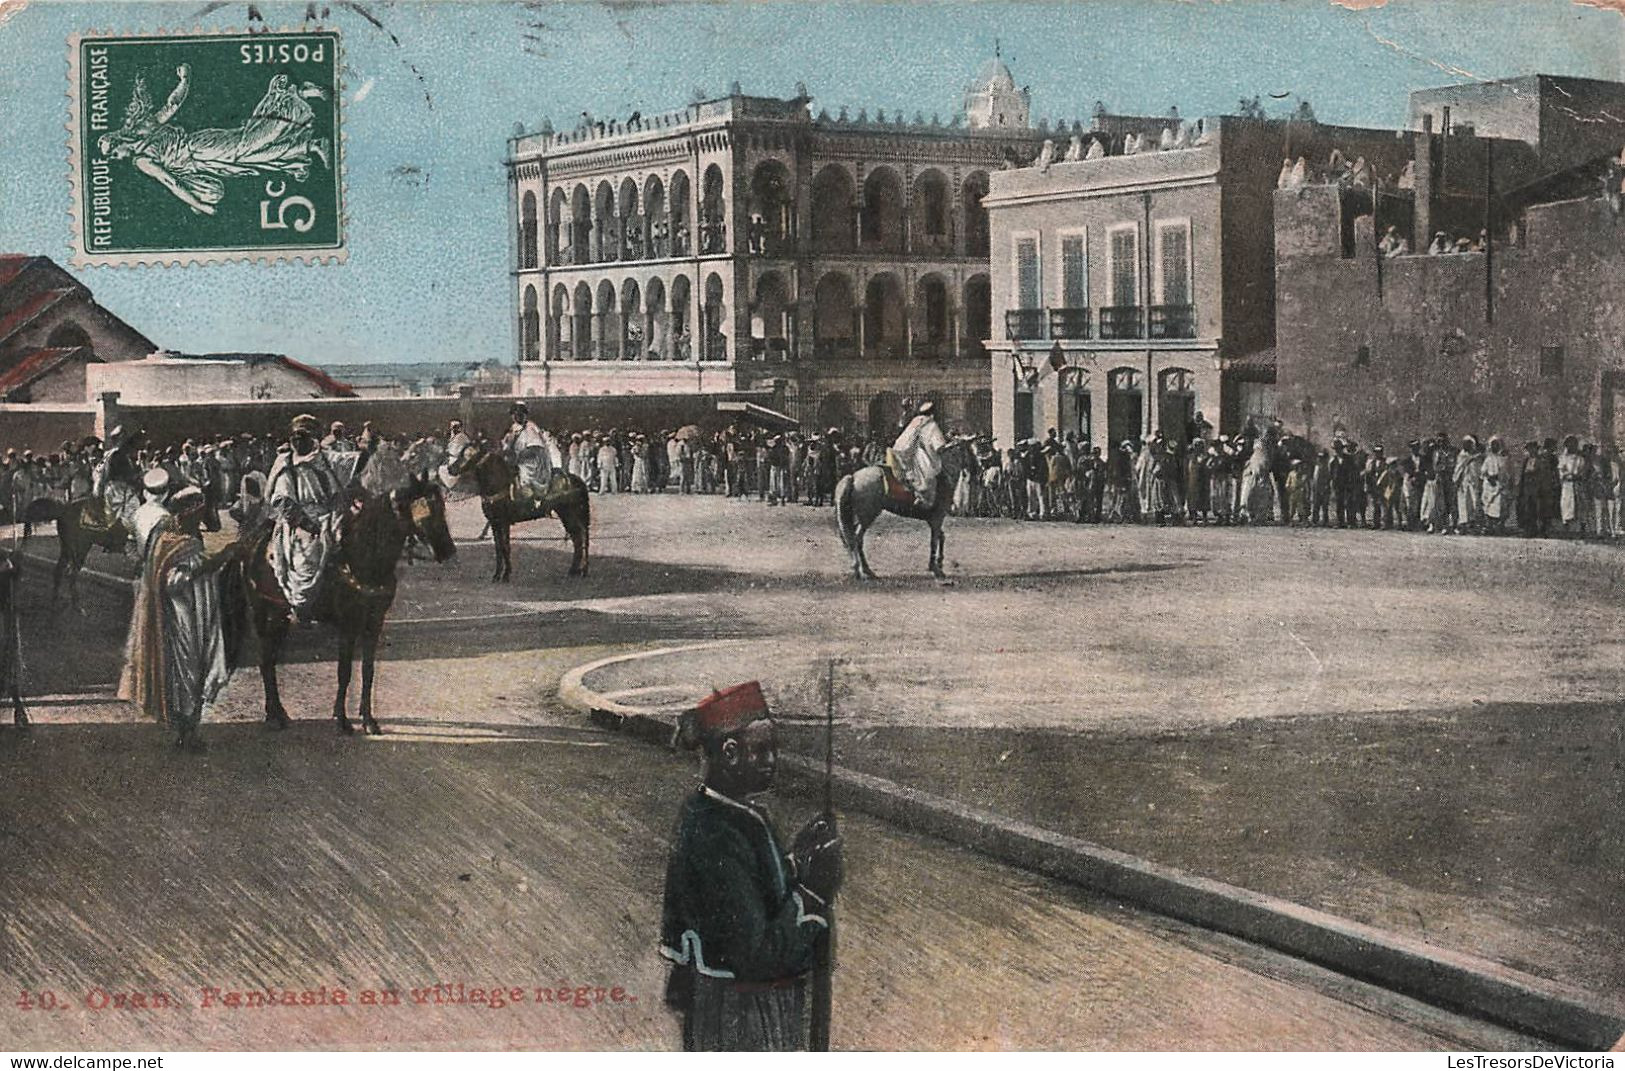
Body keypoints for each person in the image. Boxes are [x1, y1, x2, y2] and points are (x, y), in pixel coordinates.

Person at [660, 681, 842, 1051]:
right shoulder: (716, 831)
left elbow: (757, 888)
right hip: (743, 1013)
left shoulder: (721, 813)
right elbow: (757, 956)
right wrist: (810, 892)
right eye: (762, 751)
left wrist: (797, 859)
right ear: (729, 752)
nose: (773, 760)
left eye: (773, 749)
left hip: (737, 1004)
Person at [118, 486, 238, 751]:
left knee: (192, 671)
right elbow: (173, 582)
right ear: (187, 513)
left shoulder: (181, 539)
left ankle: (188, 730)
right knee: (188, 673)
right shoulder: (174, 543)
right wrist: (214, 561)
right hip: (181, 617)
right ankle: (187, 732)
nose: (200, 519)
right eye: (197, 514)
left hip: (196, 615)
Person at [266, 414, 343, 623]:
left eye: (303, 437)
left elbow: (336, 488)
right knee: (309, 558)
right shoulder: (285, 464)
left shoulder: (324, 459)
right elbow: (282, 501)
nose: (298, 442)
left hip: (328, 515)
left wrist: (336, 515)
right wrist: (308, 525)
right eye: (294, 438)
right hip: (301, 521)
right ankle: (301, 608)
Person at [890, 401, 948, 508]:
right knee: (930, 474)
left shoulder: (914, 422)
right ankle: (925, 501)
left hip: (901, 455)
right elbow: (939, 447)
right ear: (933, 414)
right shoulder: (931, 425)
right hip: (917, 456)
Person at [504, 403, 554, 507]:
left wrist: (521, 455)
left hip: (534, 459)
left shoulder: (530, 427)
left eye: (519, 414)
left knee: (526, 477)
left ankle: (533, 500)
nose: (516, 417)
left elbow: (536, 447)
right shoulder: (514, 427)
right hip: (519, 459)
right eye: (514, 415)